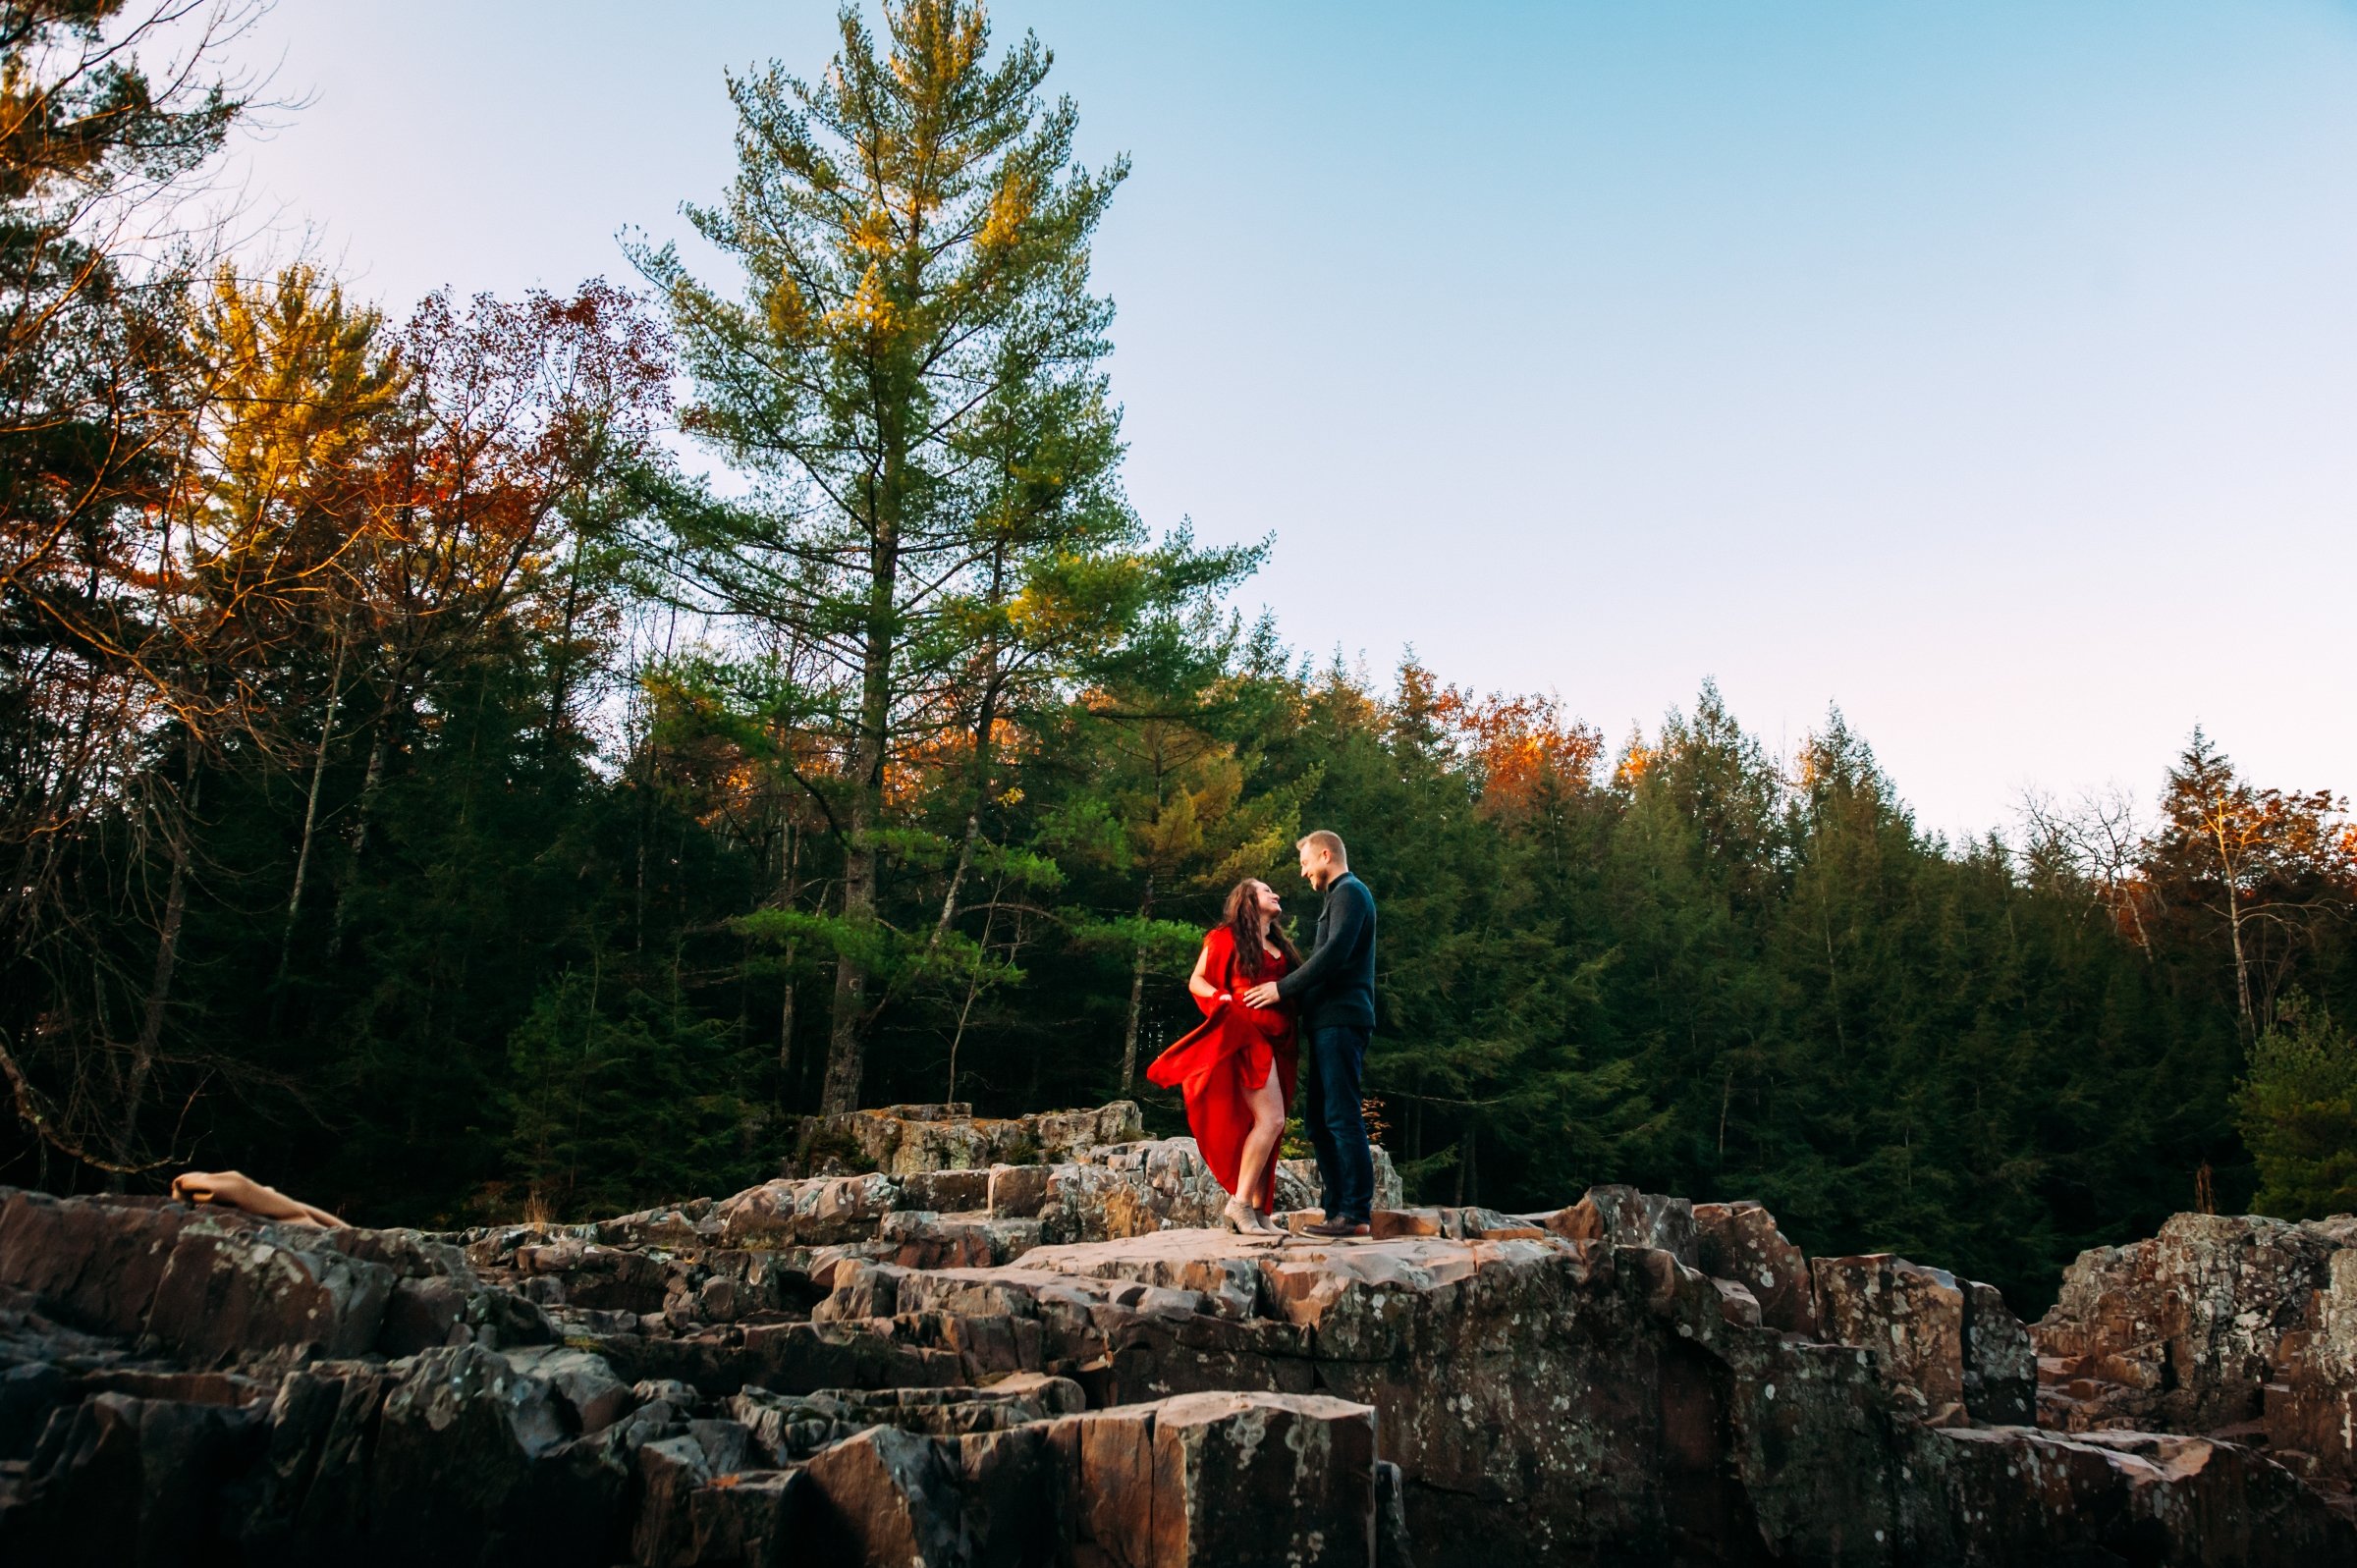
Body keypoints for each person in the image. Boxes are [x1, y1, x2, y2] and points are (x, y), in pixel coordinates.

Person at [1146, 878, 1299, 1235]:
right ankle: (1239, 1204)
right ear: (1247, 899)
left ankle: (1260, 1211)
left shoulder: (1280, 945)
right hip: (1246, 1035)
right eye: (1266, 890)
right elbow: (1197, 980)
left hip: (1283, 1040)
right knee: (1271, 1119)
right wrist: (1221, 998)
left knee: (1271, 1127)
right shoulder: (1225, 937)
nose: (1275, 894)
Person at [1243, 830, 1377, 1239]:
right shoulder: (1337, 897)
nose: (1303, 873)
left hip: (1342, 1020)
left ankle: (1354, 1213)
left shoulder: (1350, 893)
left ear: (1325, 855)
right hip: (1326, 1024)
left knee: (1341, 1114)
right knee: (1319, 1121)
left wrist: (1282, 989)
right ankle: (1337, 1211)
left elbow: (1335, 955)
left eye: (1305, 863)